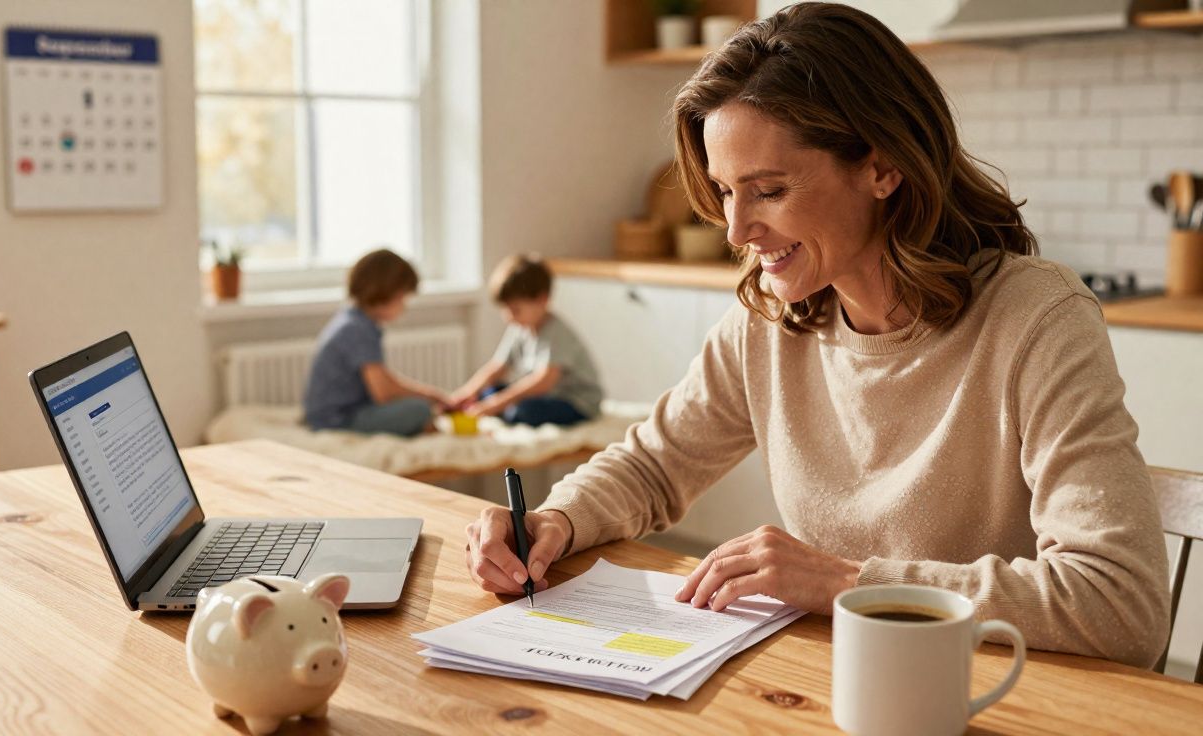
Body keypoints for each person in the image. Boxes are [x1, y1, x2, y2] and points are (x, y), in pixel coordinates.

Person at [462, 3, 1170, 668]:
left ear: (883, 165)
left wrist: (847, 583)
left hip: (989, 693)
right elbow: (654, 465)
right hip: (833, 681)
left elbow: (1121, 604)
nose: (737, 231)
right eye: (726, 192)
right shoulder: (773, 318)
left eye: (768, 190)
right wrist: (556, 521)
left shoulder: (1036, 318)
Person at [303, 249, 447, 436]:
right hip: (337, 420)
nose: (404, 306)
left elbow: (383, 378)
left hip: (329, 414)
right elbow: (383, 392)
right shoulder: (358, 330)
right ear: (387, 293)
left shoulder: (351, 319)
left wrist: (430, 394)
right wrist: (427, 398)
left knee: (419, 406)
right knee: (420, 410)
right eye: (402, 298)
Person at [451, 254, 603, 427]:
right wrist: (466, 393)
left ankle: (508, 413)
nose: (508, 317)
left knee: (524, 410)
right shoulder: (519, 328)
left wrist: (495, 405)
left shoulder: (558, 332)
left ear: (542, 300)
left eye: (515, 309)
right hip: (546, 397)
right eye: (505, 309)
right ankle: (504, 411)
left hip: (573, 401)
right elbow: (497, 367)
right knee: (489, 392)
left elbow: (543, 382)